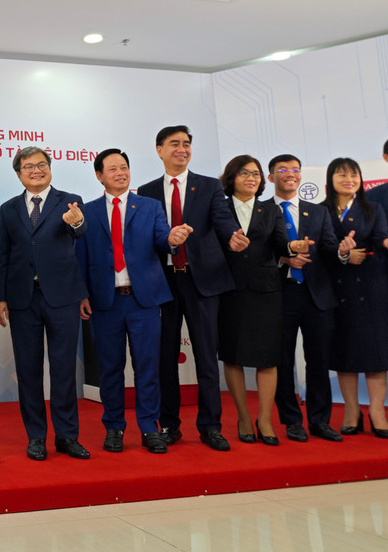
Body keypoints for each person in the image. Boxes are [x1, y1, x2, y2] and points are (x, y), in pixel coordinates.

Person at [136, 125, 247, 452]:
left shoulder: (209, 186)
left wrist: (232, 236)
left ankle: (211, 426)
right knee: (165, 357)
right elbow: (145, 236)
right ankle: (169, 424)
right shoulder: (147, 191)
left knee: (206, 358)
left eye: (186, 144)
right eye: (174, 144)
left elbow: (223, 220)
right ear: (159, 150)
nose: (181, 149)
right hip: (163, 282)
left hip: (203, 282)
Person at [76, 149, 191, 455]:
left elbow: (161, 237)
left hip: (144, 301)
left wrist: (172, 239)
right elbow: (80, 257)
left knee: (148, 367)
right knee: (110, 369)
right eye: (113, 169)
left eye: (124, 167)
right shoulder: (88, 212)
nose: (121, 173)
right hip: (105, 302)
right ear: (99, 175)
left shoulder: (149, 206)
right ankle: (114, 427)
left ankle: (149, 427)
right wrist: (82, 294)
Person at [0, 146, 89, 460]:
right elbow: (2, 254)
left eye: (41, 165)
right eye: (29, 167)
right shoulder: (9, 208)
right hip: (23, 299)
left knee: (63, 370)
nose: (36, 170)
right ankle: (36, 436)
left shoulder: (70, 200)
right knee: (28, 371)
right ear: (19, 174)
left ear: (49, 168)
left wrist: (76, 222)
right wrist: (0, 297)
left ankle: (67, 436)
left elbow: (79, 232)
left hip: (62, 297)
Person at [217, 155, 309, 446]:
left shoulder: (270, 209)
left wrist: (292, 246)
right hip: (229, 290)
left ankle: (265, 419)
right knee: (233, 355)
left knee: (269, 357)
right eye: (244, 173)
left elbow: (280, 243)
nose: (251, 178)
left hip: (267, 291)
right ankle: (244, 417)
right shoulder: (219, 207)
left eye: (256, 174)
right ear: (231, 177)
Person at [267, 154, 352, 442]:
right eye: (283, 169)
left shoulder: (318, 212)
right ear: (271, 177)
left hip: (316, 295)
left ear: (301, 176)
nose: (290, 174)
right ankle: (291, 420)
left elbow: (327, 248)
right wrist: (283, 259)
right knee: (282, 360)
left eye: (295, 169)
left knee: (319, 359)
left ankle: (319, 420)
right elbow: (257, 253)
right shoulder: (262, 210)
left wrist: (341, 251)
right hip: (280, 294)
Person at [320, 158, 388, 439]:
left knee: (376, 351)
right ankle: (351, 411)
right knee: (344, 351)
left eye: (354, 175)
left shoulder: (373, 208)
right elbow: (320, 249)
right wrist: (343, 253)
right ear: (331, 179)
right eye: (342, 175)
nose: (349, 180)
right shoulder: (320, 210)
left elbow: (381, 238)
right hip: (337, 289)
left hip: (371, 286)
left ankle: (377, 411)